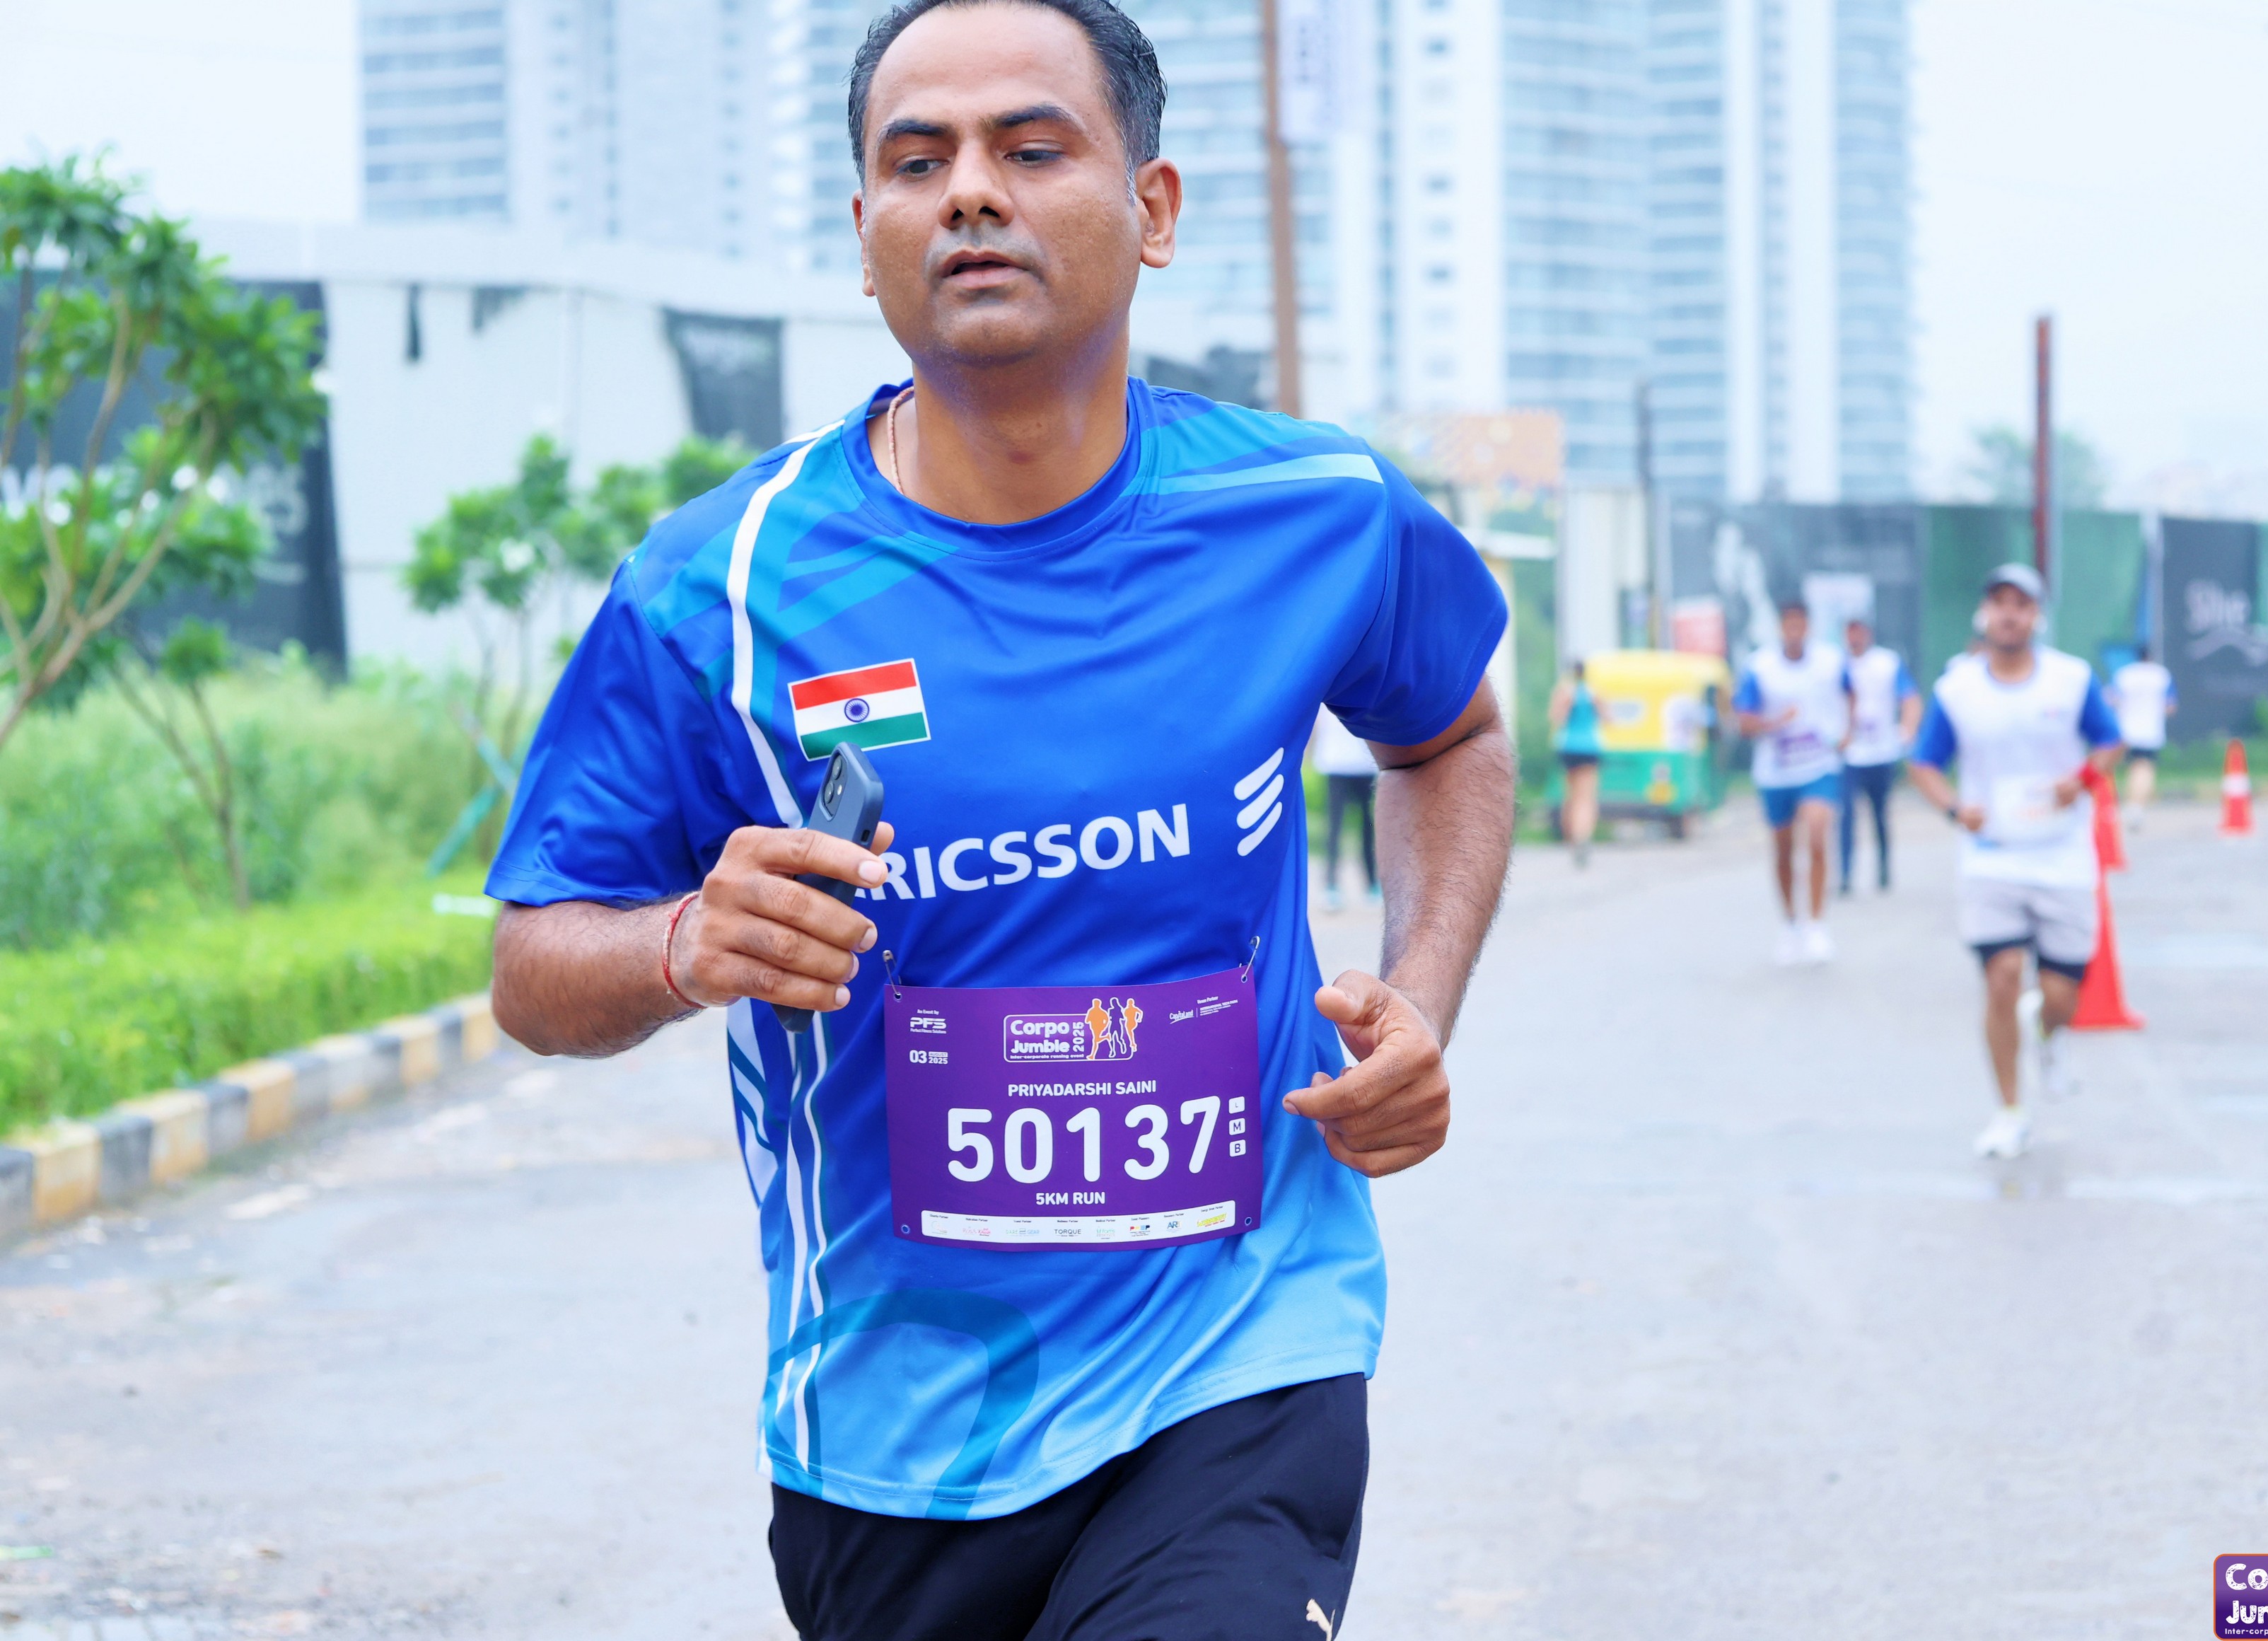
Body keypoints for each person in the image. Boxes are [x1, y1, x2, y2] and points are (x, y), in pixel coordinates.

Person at [482, 1, 1519, 1634]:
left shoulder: (1312, 514)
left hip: (1241, 1350)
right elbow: (533, 969)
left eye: (1032, 148)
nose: (971, 190)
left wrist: (1422, 995)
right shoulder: (721, 589)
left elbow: (1448, 734)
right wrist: (689, 941)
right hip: (899, 1432)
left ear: (1153, 208)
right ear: (867, 235)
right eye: (919, 162)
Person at [1908, 564, 2124, 1161]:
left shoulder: (2070, 681)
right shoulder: (1958, 691)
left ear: (2036, 616)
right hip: (1992, 859)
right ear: (1985, 614)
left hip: (2062, 856)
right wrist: (1955, 809)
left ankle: (2050, 1034)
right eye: (1999, 603)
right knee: (2001, 979)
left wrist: (2082, 781)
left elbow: (2111, 742)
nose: (2009, 615)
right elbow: (1923, 763)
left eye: (2021, 605)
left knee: (2060, 996)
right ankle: (2009, 1112)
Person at [1734, 598, 1853, 964]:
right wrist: (1776, 723)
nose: (1795, 631)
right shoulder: (1760, 667)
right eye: (1789, 624)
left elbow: (1851, 693)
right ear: (1780, 627)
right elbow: (1744, 723)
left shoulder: (1830, 662)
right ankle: (1790, 923)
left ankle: (1816, 924)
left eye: (1801, 624)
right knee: (1783, 849)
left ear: (1809, 626)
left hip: (1819, 765)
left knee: (1817, 834)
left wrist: (1848, 731)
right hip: (1776, 769)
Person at [1838, 615, 1919, 896]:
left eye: (1858, 632)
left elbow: (1910, 698)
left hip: (1882, 750)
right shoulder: (1838, 665)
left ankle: (1884, 868)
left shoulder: (1887, 663)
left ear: (1868, 634)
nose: (1854, 639)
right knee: (1846, 815)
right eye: (1850, 633)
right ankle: (1845, 874)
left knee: (1880, 813)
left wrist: (1907, 731)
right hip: (1850, 752)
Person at [1310, 704, 1380, 907]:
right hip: (1336, 762)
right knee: (1335, 826)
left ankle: (1372, 882)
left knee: (1367, 827)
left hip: (1364, 764)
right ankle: (1331, 883)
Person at [2107, 644, 2175, 829]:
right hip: (2150, 730)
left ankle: (2117, 804)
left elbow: (2111, 699)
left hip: (2125, 729)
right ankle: (2135, 807)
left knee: (2127, 768)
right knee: (2144, 768)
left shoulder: (2125, 674)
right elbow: (2170, 706)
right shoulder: (2161, 675)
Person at [1549, 659, 1605, 868]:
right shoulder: (1593, 693)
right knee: (1586, 798)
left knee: (1570, 796)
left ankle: (1572, 840)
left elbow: (1556, 718)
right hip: (1589, 747)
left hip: (1568, 747)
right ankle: (1583, 838)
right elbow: (1608, 718)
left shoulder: (1565, 692)